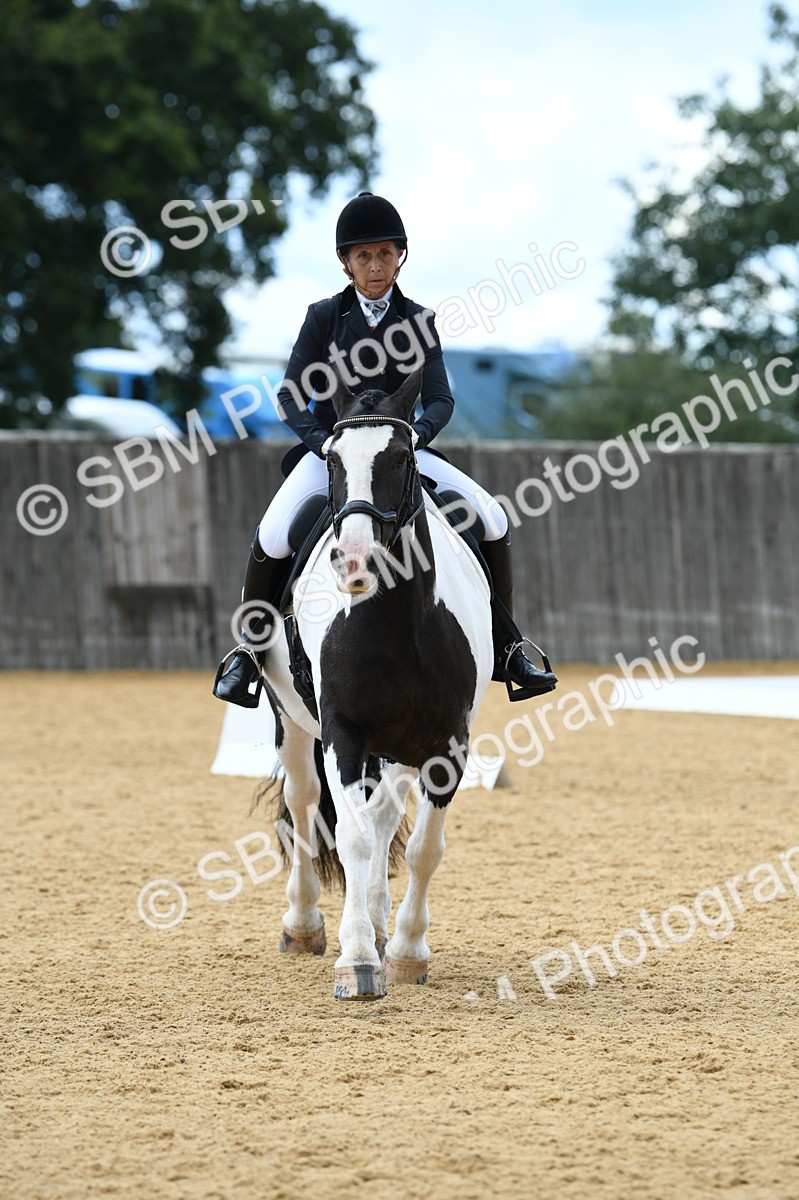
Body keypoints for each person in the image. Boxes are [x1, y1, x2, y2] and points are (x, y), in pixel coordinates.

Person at [213, 191, 557, 706]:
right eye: (363, 256)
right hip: (333, 452)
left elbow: (440, 399)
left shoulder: (420, 320)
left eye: (384, 254)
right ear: (346, 263)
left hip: (400, 455)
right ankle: (247, 651)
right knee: (274, 532)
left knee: (492, 519)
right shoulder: (323, 317)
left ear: (400, 255)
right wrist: (321, 440)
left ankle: (506, 647)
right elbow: (288, 393)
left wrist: (416, 437)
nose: (375, 267)